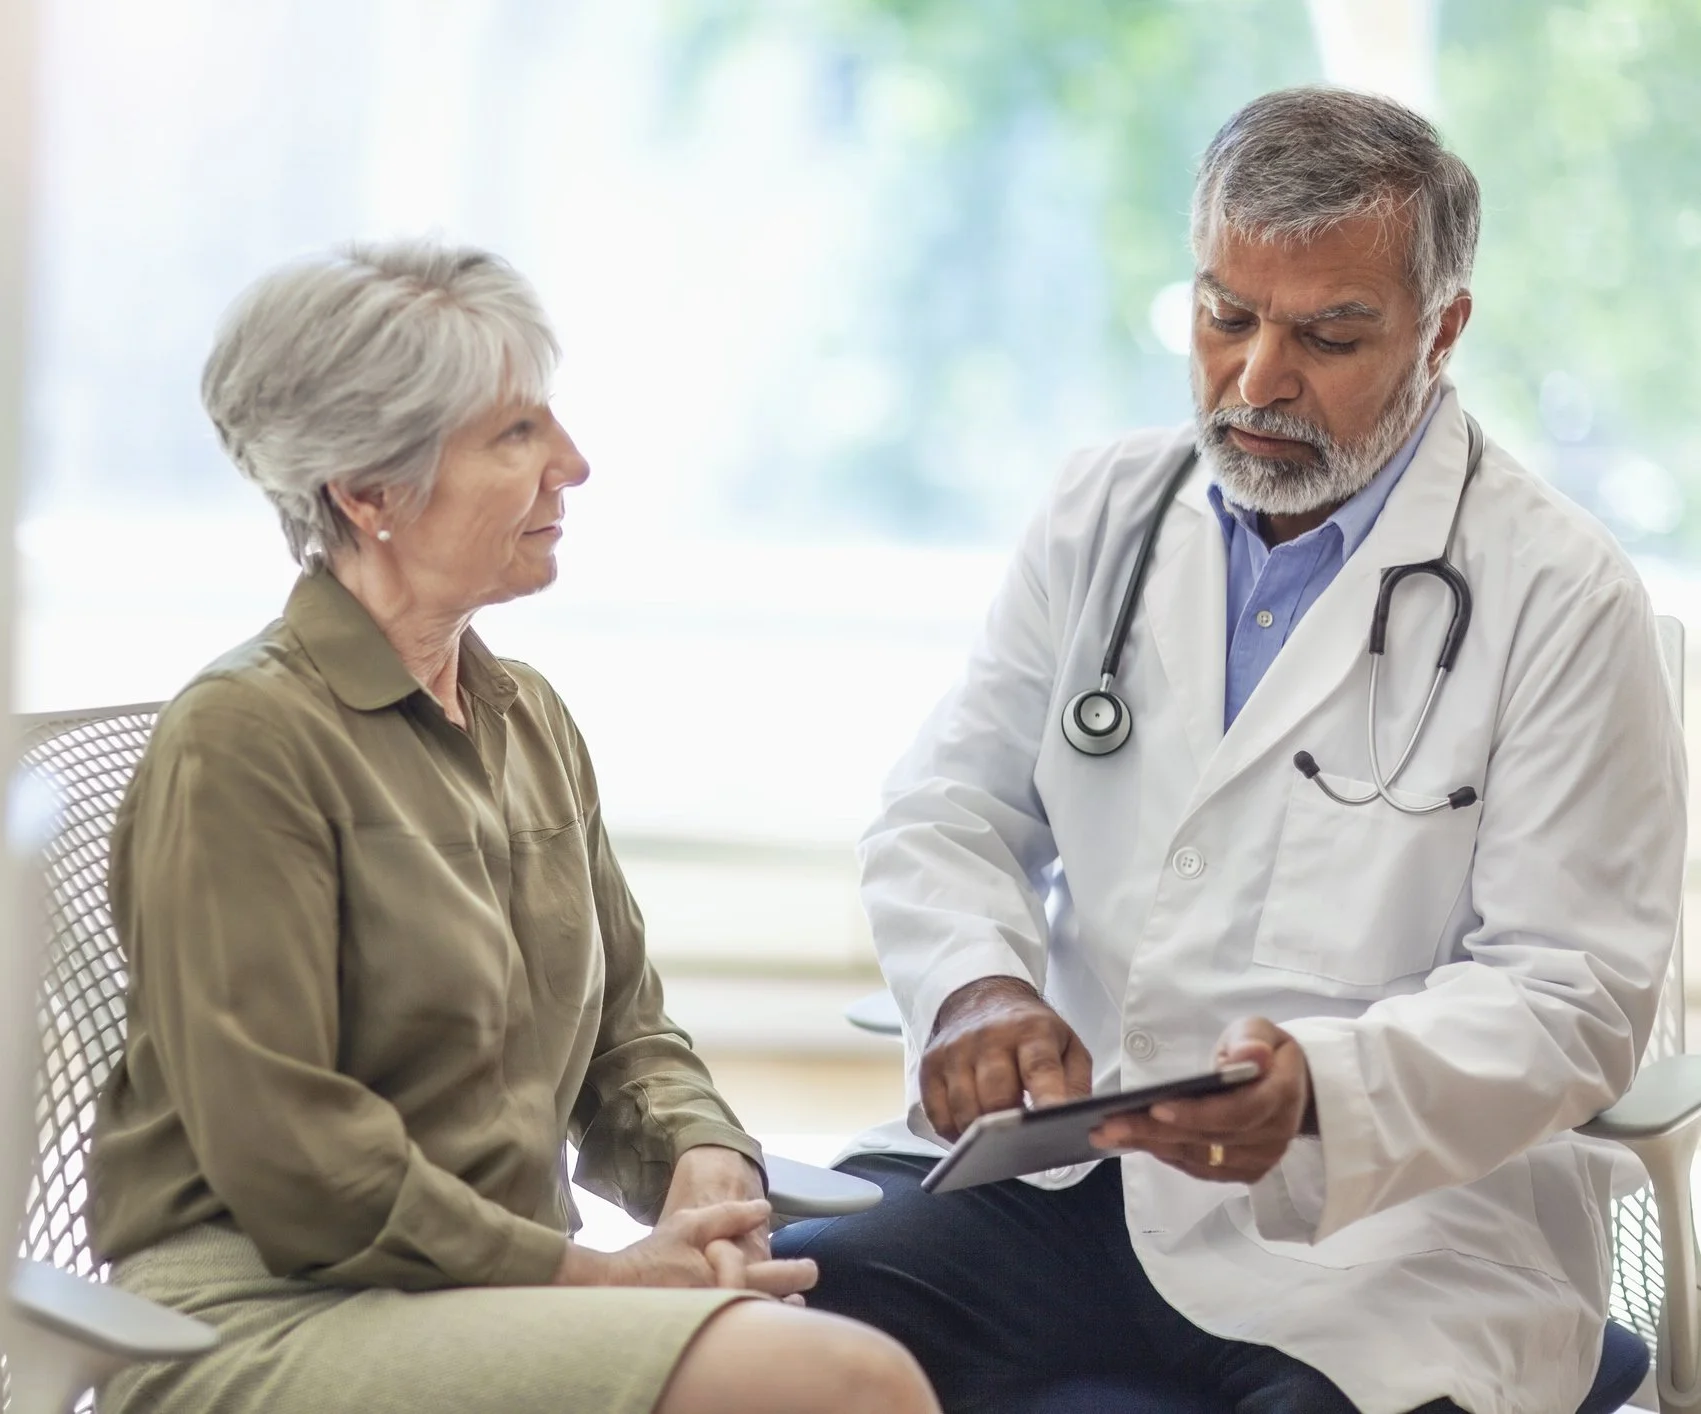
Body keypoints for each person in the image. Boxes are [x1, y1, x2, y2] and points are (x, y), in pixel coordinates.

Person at [773, 87, 1685, 1414]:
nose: (1257, 379)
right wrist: (974, 987)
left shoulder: (1560, 594)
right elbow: (948, 806)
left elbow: (1571, 991)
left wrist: (1325, 1090)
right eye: (1225, 315)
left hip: (1386, 1236)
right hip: (1073, 1182)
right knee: (765, 1329)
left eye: (1329, 333)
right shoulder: (1103, 512)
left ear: (1443, 329)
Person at [82, 240, 937, 1414]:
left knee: (870, 1313)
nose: (573, 465)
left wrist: (705, 1171)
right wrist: (595, 1276)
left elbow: (630, 1037)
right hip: (270, 1310)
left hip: (494, 1291)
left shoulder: (526, 717)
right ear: (369, 492)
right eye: (515, 435)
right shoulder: (242, 740)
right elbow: (293, 1155)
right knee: (844, 1381)